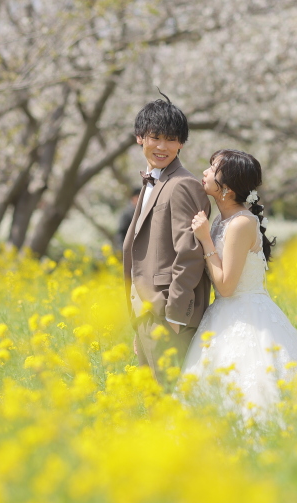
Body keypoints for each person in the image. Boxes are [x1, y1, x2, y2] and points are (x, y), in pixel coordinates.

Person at [183, 149, 297, 416]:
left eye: (213, 168)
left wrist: (205, 239)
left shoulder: (241, 223)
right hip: (223, 314)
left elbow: (226, 286)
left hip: (245, 315)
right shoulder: (222, 220)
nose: (205, 172)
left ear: (229, 186)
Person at [122, 92, 212, 384]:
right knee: (154, 405)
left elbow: (190, 252)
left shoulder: (183, 185)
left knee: (170, 402)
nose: (162, 146)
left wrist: (174, 315)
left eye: (171, 139)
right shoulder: (153, 181)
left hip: (167, 314)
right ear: (140, 137)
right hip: (145, 314)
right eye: (155, 137)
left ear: (181, 143)